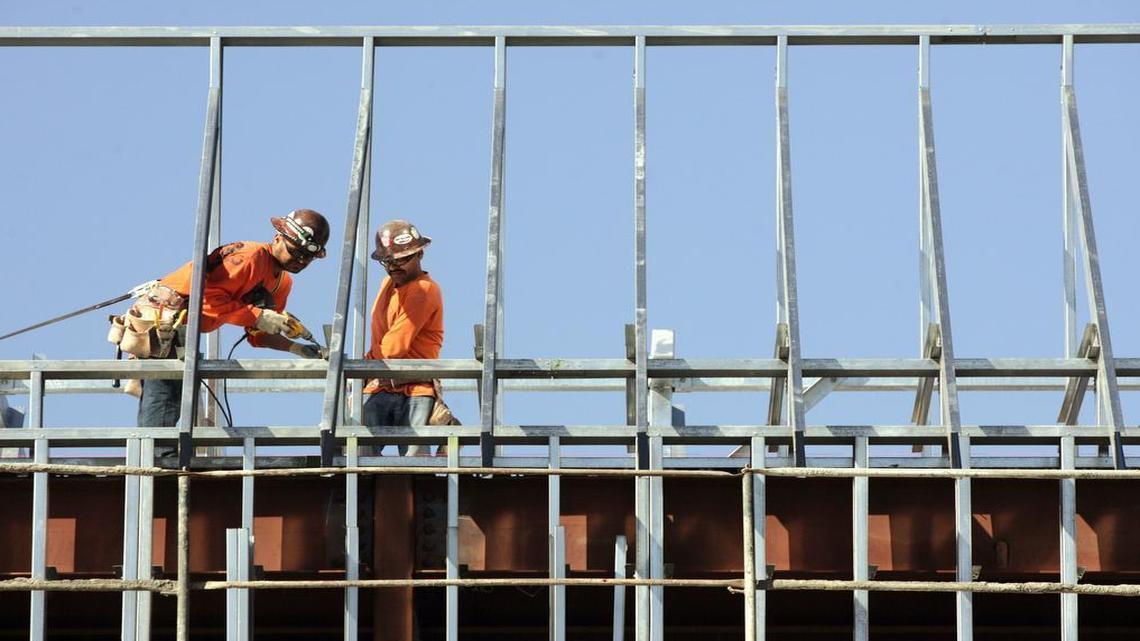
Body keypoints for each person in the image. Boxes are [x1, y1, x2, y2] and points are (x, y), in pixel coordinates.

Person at [109, 209, 331, 427]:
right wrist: (259, 315)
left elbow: (258, 334)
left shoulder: (282, 284)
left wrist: (296, 348)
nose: (300, 260)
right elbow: (204, 296)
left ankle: (167, 455)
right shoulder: (250, 257)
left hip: (185, 331)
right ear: (278, 238)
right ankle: (158, 458)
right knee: (165, 393)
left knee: (178, 395)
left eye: (307, 257)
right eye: (295, 252)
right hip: (165, 321)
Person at [362, 219, 444, 456]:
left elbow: (393, 350)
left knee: (416, 470)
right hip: (379, 386)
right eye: (388, 261)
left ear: (419, 254)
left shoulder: (424, 290)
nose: (393, 266)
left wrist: (367, 363)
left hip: (416, 389)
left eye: (401, 259)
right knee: (359, 464)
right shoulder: (387, 284)